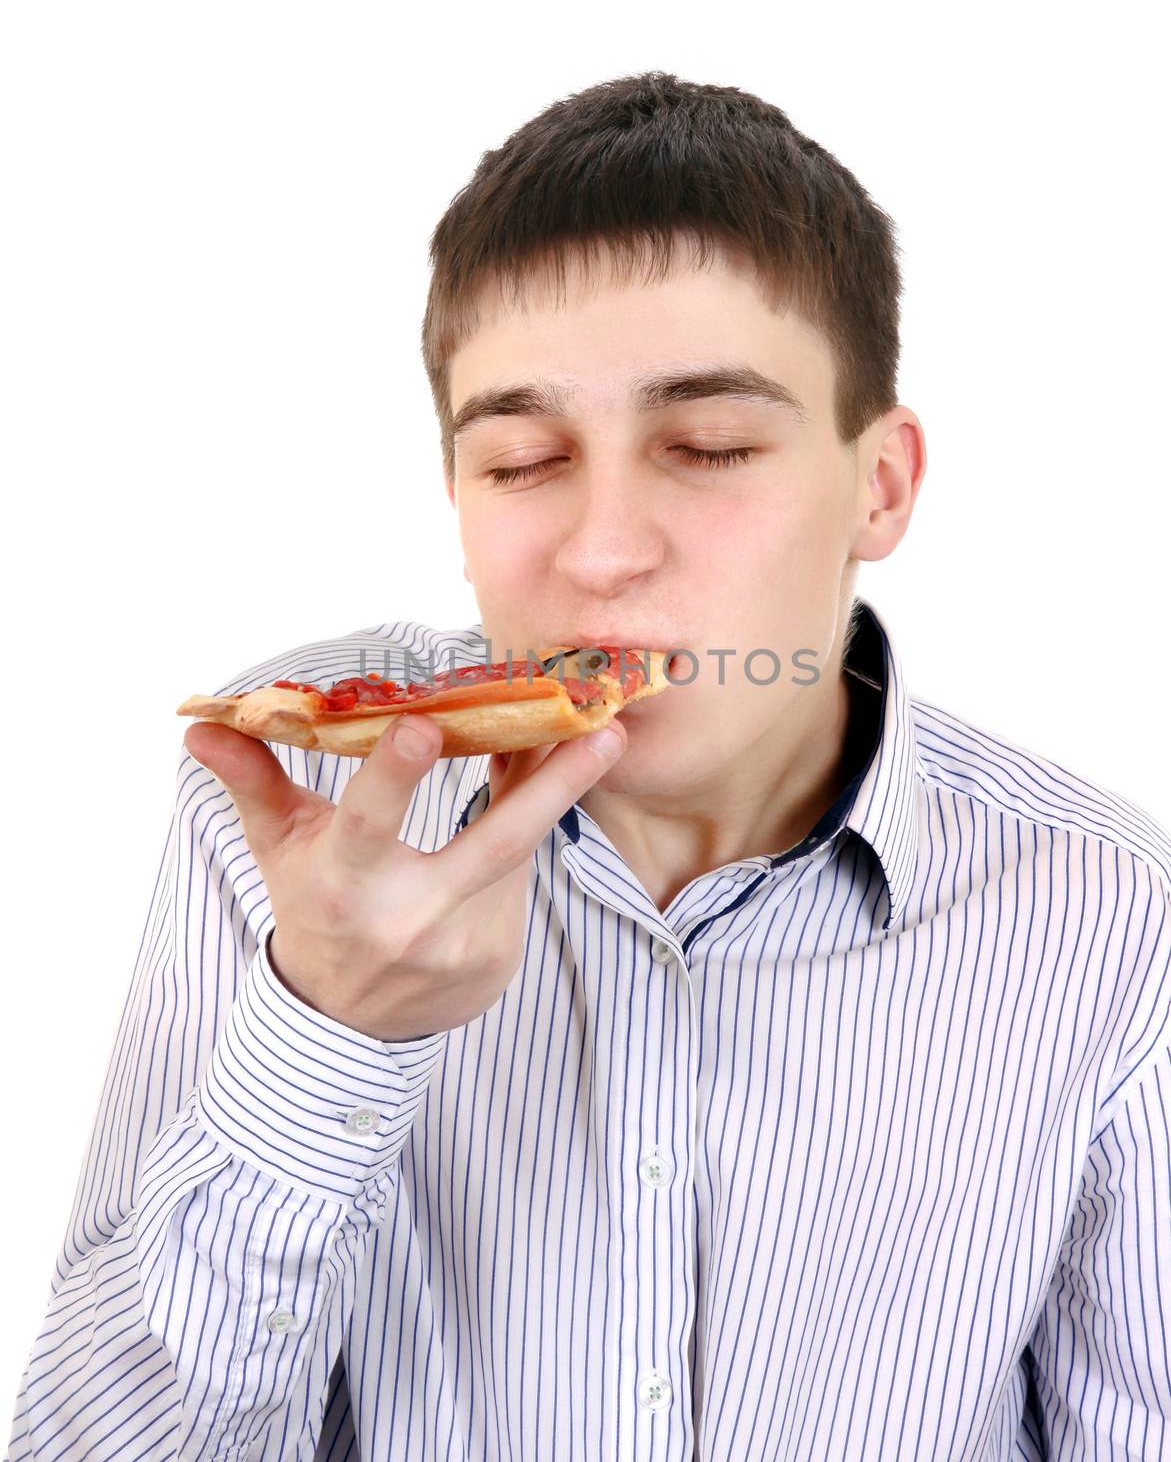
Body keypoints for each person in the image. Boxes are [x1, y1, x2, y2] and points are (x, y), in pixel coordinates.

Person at [8, 71, 1169, 1462]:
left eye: (709, 446)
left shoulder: (1112, 912)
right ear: (455, 497)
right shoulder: (295, 812)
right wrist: (328, 1030)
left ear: (883, 487)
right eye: (520, 461)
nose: (603, 549)